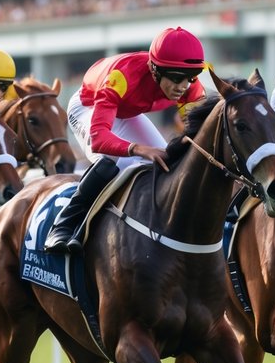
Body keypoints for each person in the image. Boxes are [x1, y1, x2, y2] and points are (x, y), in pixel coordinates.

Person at [43, 26, 207, 254]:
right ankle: (64, 224)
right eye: (176, 78)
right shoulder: (122, 77)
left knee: (168, 164)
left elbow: (198, 138)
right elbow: (100, 139)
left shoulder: (190, 86)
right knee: (112, 161)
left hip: (127, 111)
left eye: (189, 78)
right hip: (88, 106)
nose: (182, 87)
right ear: (155, 70)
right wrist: (138, 149)